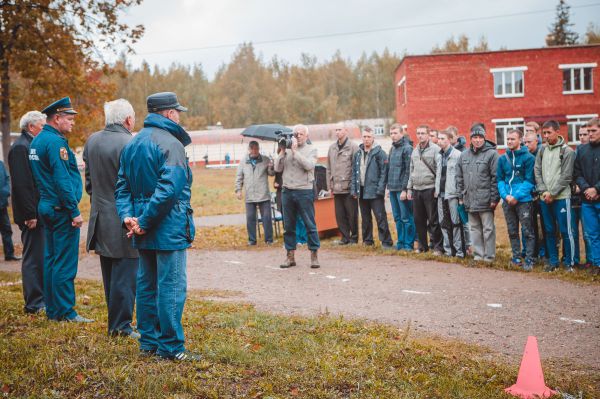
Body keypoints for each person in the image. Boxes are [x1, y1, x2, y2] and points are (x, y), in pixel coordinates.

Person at [115, 92, 199, 361]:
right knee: (171, 286)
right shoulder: (171, 144)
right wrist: (145, 221)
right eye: (177, 111)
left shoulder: (133, 143)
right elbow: (169, 189)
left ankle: (148, 342)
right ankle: (171, 347)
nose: (179, 116)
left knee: (147, 285)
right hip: (167, 225)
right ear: (168, 113)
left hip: (143, 225)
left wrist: (130, 217)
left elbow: (122, 186)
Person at [29, 97, 91, 323]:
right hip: (61, 209)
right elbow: (62, 179)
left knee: (52, 259)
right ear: (57, 118)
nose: (72, 122)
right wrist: (74, 211)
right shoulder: (55, 142)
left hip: (46, 205)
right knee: (64, 261)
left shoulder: (37, 141)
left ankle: (53, 309)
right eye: (69, 118)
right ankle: (65, 311)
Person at [83, 99, 139, 338]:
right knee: (126, 274)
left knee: (110, 274)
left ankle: (115, 322)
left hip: (99, 215)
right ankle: (121, 326)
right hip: (123, 217)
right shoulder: (131, 142)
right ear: (128, 120)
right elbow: (135, 184)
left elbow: (89, 183)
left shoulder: (92, 140)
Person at [8, 111, 46, 314]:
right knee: (33, 258)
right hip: (30, 215)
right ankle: (34, 302)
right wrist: (30, 214)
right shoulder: (21, 147)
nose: (44, 129)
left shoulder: (30, 145)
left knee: (40, 257)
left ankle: (41, 298)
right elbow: (23, 185)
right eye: (42, 126)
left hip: (37, 212)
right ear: (31, 127)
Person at [534, 120, 578, 272]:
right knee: (549, 230)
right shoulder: (542, 150)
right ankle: (553, 262)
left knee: (566, 231)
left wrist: (552, 193)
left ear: (558, 132)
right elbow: (537, 171)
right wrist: (543, 191)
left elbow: (566, 176)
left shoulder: (567, 151)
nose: (546, 136)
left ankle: (569, 263)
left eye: (549, 132)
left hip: (561, 198)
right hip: (544, 198)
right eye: (544, 133)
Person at [274, 124, 320, 268]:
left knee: (309, 224)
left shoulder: (312, 149)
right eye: (295, 133)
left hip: (304, 191)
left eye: (301, 134)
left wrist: (295, 152)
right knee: (288, 226)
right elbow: (277, 168)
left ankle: (314, 255)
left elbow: (308, 166)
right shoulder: (286, 150)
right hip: (287, 190)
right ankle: (290, 256)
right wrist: (282, 152)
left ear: (306, 136)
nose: (298, 136)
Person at [456, 123, 499, 262]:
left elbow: (495, 178)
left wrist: (494, 198)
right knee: (474, 229)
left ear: (485, 137)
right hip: (469, 199)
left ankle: (489, 256)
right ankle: (478, 255)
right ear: (471, 138)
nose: (477, 140)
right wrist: (461, 196)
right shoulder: (464, 155)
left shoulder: (492, 154)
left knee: (488, 229)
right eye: (475, 137)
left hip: (486, 199)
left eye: (480, 137)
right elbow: (459, 177)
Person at [497, 129, 536, 271]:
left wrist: (517, 196)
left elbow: (530, 181)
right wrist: (506, 196)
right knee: (512, 231)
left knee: (528, 231)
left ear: (520, 140)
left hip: (524, 201)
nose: (509, 142)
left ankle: (530, 259)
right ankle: (516, 257)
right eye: (508, 139)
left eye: (513, 139)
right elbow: (500, 180)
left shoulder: (529, 158)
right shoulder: (502, 159)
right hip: (507, 201)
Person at [351, 127, 393, 248]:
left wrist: (380, 190)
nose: (366, 139)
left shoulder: (380, 153)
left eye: (369, 137)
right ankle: (368, 241)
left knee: (380, 217)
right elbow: (354, 173)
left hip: (375, 191)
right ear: (362, 138)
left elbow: (384, 172)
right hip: (362, 190)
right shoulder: (358, 153)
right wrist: (354, 190)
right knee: (365, 218)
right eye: (364, 137)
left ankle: (386, 242)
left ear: (373, 138)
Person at [407, 125, 443, 254]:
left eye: (423, 133)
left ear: (428, 135)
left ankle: (438, 247)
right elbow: (411, 170)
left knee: (433, 220)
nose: (420, 135)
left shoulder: (435, 150)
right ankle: (422, 246)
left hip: (430, 188)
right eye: (418, 133)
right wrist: (409, 188)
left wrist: (437, 188)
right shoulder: (415, 150)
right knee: (418, 219)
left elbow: (439, 171)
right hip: (417, 189)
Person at [574, 117, 600, 275]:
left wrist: (596, 189)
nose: (590, 134)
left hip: (597, 196)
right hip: (587, 201)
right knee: (592, 234)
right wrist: (586, 189)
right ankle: (597, 264)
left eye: (593, 131)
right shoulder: (582, 150)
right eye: (588, 131)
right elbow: (577, 173)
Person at [235, 141, 274, 245]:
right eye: (252, 149)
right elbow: (239, 177)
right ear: (249, 149)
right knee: (250, 219)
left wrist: (271, 166)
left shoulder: (265, 159)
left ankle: (269, 240)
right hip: (249, 195)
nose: (254, 151)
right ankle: (252, 240)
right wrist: (238, 190)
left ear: (259, 149)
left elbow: (271, 174)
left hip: (263, 194)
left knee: (267, 218)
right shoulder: (243, 161)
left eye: (256, 149)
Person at [327, 122, 359, 245]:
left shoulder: (353, 147)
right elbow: (328, 168)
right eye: (336, 130)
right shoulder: (332, 148)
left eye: (340, 129)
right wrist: (329, 186)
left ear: (346, 131)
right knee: (339, 215)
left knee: (352, 215)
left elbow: (355, 168)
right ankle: (345, 237)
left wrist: (354, 187)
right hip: (336, 187)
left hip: (349, 187)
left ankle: (354, 238)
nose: (337, 132)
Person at [435, 130, 465, 258]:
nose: (439, 141)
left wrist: (460, 196)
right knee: (443, 223)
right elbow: (438, 175)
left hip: (453, 194)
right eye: (439, 138)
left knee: (456, 223)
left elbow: (461, 177)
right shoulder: (438, 155)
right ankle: (448, 251)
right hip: (441, 195)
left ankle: (459, 251)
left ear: (449, 139)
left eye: (442, 138)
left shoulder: (458, 155)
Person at [387, 124, 415, 251]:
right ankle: (400, 242)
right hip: (392, 189)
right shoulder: (392, 149)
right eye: (391, 133)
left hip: (401, 190)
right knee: (397, 218)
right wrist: (388, 188)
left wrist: (405, 189)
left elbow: (408, 171)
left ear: (401, 133)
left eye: (395, 133)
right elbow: (390, 169)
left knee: (406, 218)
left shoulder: (407, 148)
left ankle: (408, 244)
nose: (393, 135)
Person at [523, 129, 547, 261]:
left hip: (542, 195)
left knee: (545, 226)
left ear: (536, 141)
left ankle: (545, 254)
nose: (526, 145)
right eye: (525, 142)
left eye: (529, 142)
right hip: (529, 197)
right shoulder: (525, 156)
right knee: (530, 227)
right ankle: (532, 253)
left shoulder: (543, 154)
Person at [572, 125, 592, 268]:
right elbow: (571, 173)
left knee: (588, 233)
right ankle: (575, 260)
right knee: (572, 232)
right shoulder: (575, 152)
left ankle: (591, 261)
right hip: (574, 198)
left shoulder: (594, 152)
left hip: (589, 197)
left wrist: (585, 188)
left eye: (585, 134)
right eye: (580, 135)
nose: (583, 137)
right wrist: (575, 186)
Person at [0, 160, 18, 261]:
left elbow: (7, 179)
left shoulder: (1, 164)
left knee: (7, 229)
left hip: (2, 204)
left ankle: (9, 254)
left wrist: (6, 192)